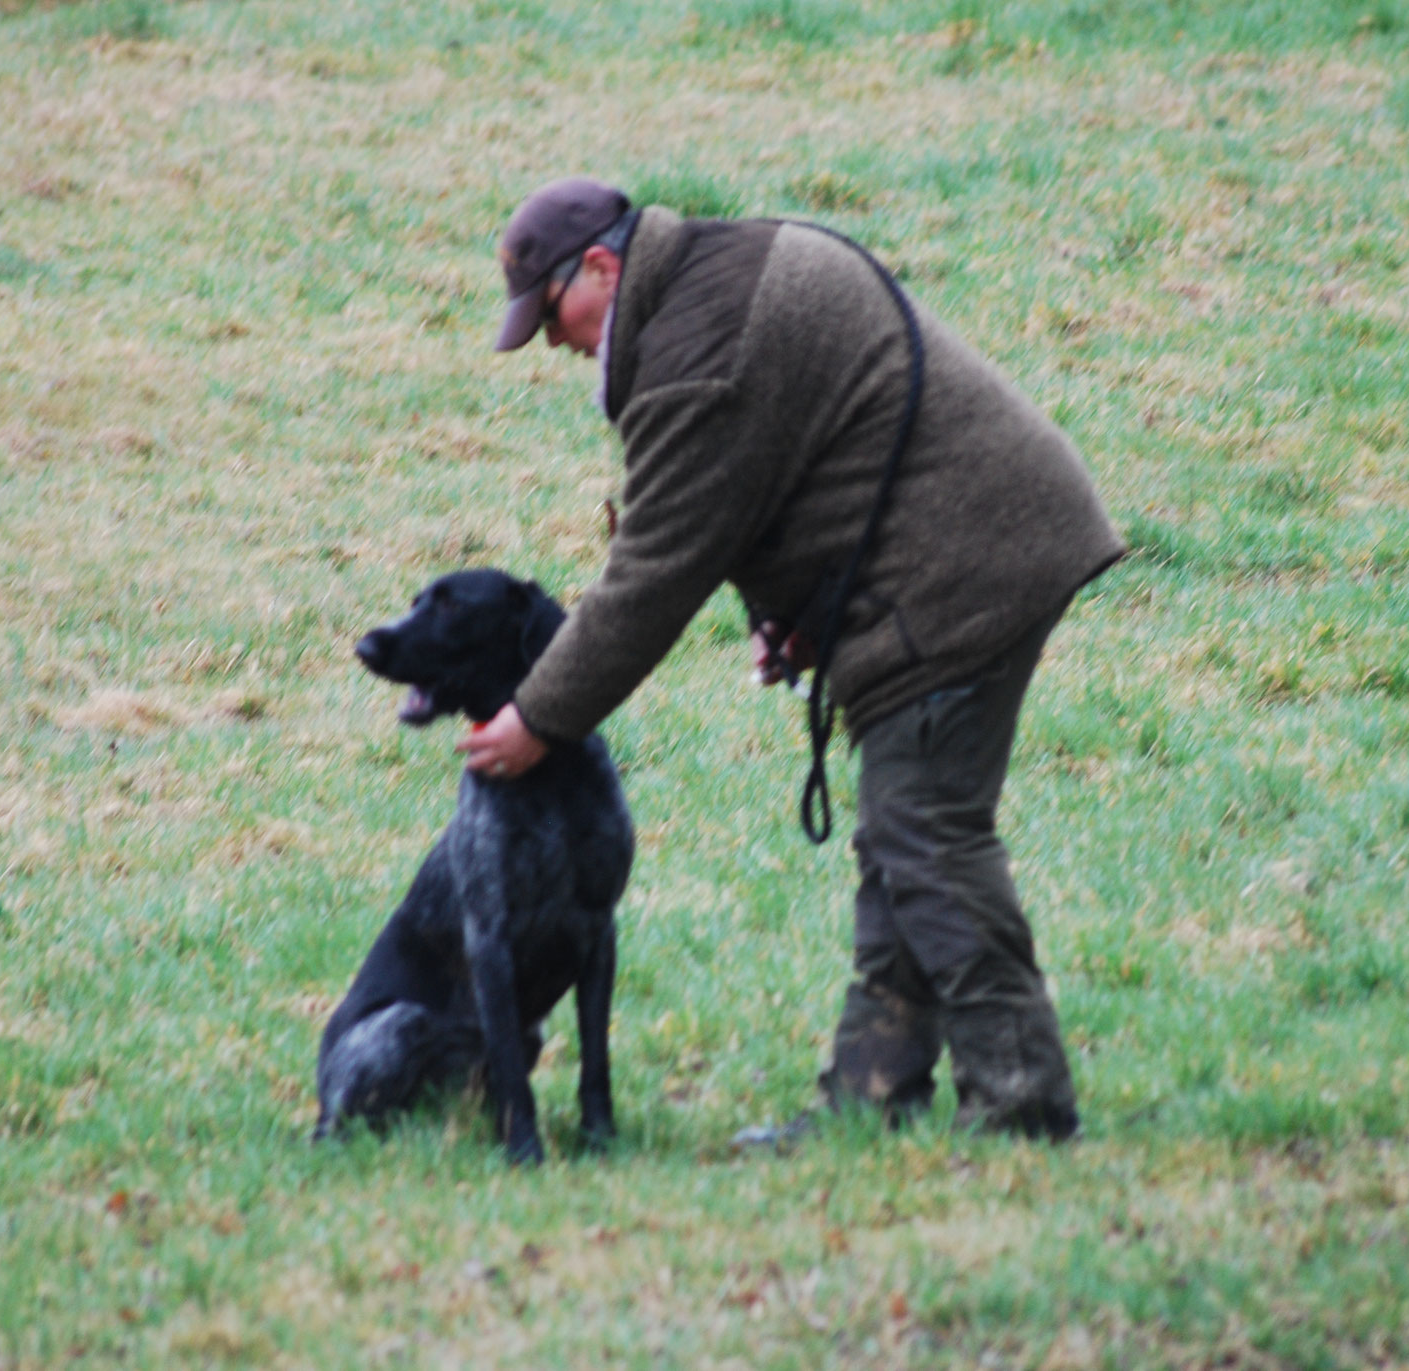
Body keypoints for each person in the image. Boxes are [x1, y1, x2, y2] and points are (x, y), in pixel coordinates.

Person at [460, 176, 1125, 1140]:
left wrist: (539, 716)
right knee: (905, 837)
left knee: (927, 838)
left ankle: (1022, 1104)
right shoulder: (713, 278)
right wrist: (795, 612)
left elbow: (653, 573)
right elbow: (793, 461)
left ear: (601, 267)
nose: (550, 341)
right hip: (976, 539)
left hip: (967, 568)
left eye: (550, 312)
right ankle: (871, 1098)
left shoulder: (695, 353)